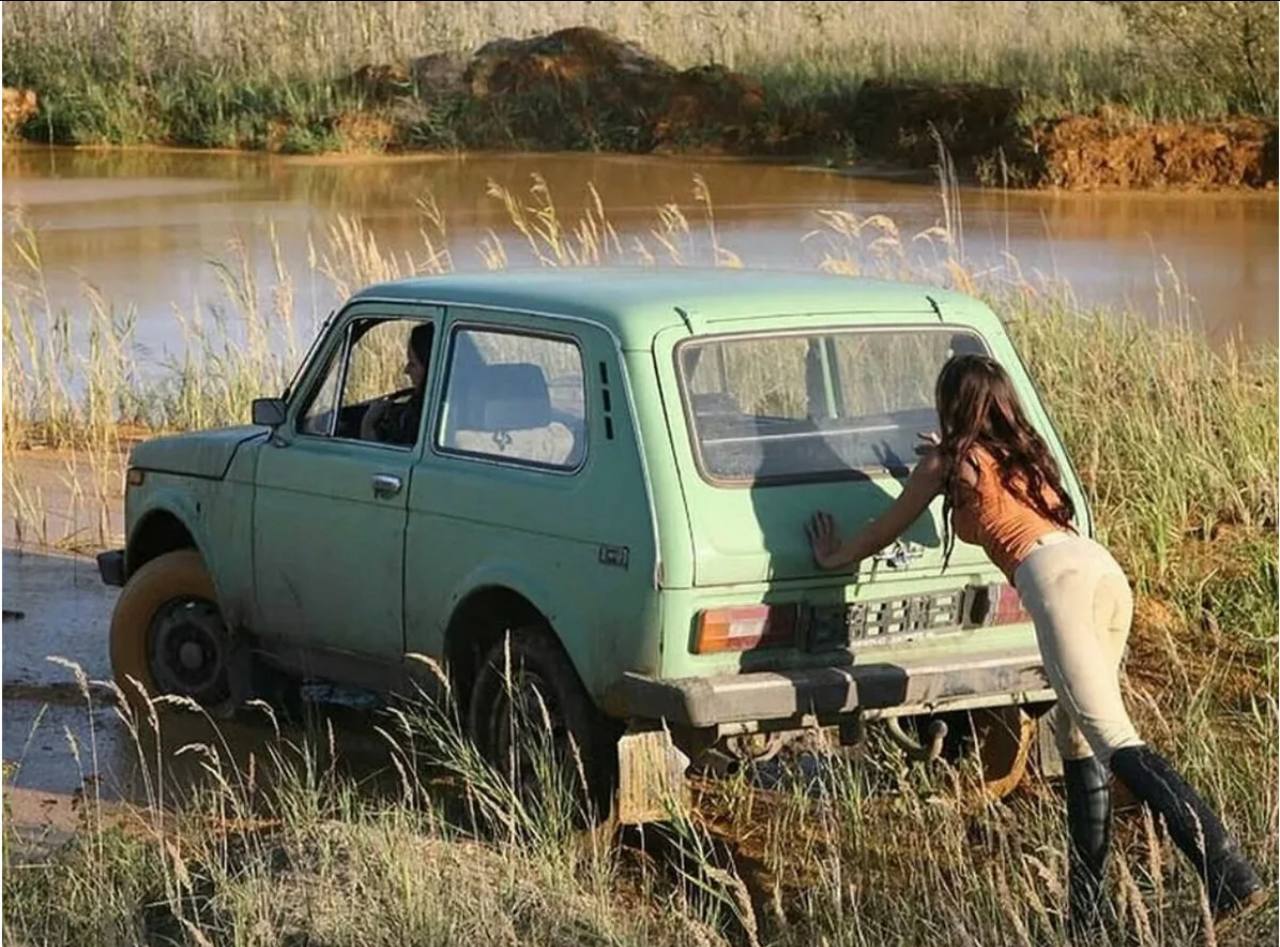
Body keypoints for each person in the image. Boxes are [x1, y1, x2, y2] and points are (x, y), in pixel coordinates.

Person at [805, 353, 1264, 934]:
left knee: (1114, 737)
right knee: (1078, 739)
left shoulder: (949, 463)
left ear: (952, 404)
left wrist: (834, 556)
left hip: (1055, 583)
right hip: (1099, 569)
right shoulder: (1021, 455)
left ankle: (1227, 871)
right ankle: (1087, 913)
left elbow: (887, 528)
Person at [360, 323, 433, 446]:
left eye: (413, 364)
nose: (406, 370)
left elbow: (382, 462)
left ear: (430, 369)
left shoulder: (423, 418)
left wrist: (368, 425)